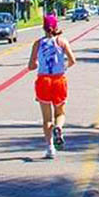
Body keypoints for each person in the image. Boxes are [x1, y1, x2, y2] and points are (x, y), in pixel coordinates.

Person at [29, 14, 77, 159]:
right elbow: (72, 60)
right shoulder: (62, 42)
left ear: (43, 27)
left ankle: (50, 148)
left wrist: (38, 64)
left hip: (43, 80)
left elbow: (31, 65)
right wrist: (64, 67)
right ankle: (59, 128)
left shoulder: (38, 43)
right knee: (60, 112)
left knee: (46, 118)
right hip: (59, 80)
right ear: (56, 26)